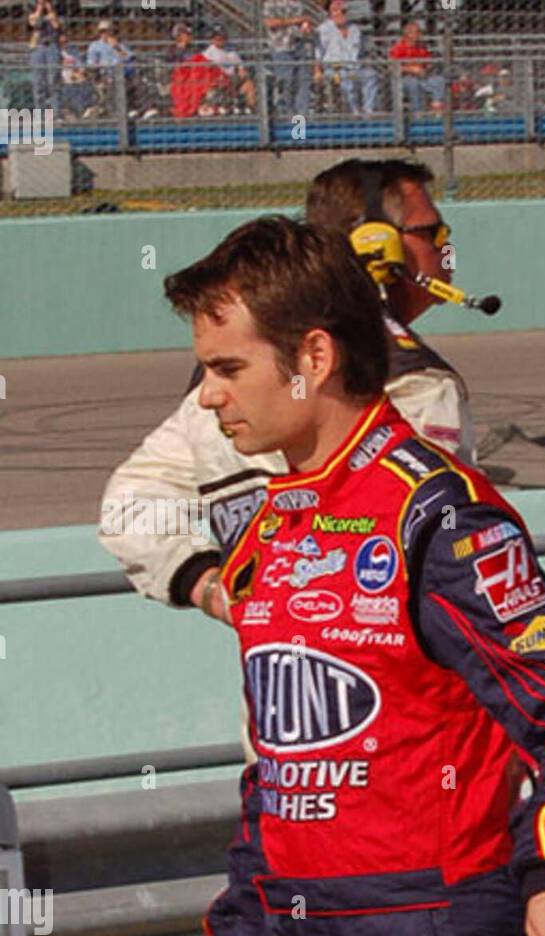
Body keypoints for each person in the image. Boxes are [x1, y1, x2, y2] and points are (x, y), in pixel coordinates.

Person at [157, 216, 545, 936]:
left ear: (313, 357)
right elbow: (278, 768)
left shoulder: (438, 515)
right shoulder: (265, 528)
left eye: (227, 368)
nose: (205, 395)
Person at [100, 157, 473, 618]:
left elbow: (130, 503)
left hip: (285, 676)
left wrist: (209, 585)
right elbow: (444, 566)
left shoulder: (236, 365)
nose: (446, 245)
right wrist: (212, 586)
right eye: (431, 232)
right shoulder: (419, 383)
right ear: (379, 246)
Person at [316, 0, 377, 114]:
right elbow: (318, 53)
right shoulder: (324, 29)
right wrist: (317, 70)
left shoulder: (355, 30)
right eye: (335, 11)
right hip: (333, 69)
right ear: (330, 13)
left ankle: (368, 110)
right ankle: (354, 112)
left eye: (343, 11)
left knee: (371, 75)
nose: (340, 14)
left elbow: (360, 52)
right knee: (345, 79)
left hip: (354, 68)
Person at [263, 0, 312, 117]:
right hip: (281, 47)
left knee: (303, 81)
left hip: (299, 45)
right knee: (286, 81)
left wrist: (305, 26)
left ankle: (301, 115)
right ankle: (287, 113)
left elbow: (304, 20)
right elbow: (270, 23)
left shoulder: (298, 3)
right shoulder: (271, 4)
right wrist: (294, 21)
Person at [388, 19, 445, 114]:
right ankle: (418, 111)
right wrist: (411, 69)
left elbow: (428, 62)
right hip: (404, 79)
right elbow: (391, 67)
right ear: (408, 34)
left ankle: (437, 105)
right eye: (417, 32)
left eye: (419, 32)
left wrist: (427, 68)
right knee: (413, 83)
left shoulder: (421, 47)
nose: (419, 35)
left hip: (422, 77)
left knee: (439, 80)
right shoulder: (399, 47)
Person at [202, 25, 257, 113]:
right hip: (219, 82)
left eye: (222, 36)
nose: (220, 39)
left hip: (233, 80)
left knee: (249, 85)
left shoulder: (231, 49)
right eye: (217, 37)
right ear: (212, 38)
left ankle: (251, 110)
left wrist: (241, 70)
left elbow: (240, 65)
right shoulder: (208, 53)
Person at [27, 0, 63, 112]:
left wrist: (49, 8)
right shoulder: (32, 9)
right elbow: (35, 24)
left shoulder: (56, 8)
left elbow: (56, 25)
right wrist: (40, 7)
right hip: (38, 45)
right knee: (38, 81)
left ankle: (56, 112)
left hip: (52, 44)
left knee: (53, 80)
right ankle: (40, 111)